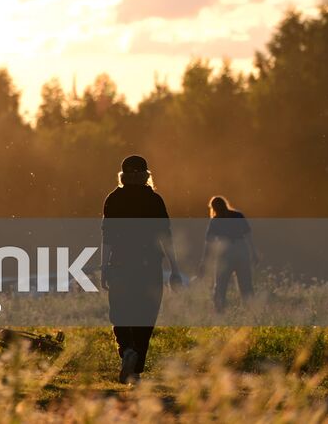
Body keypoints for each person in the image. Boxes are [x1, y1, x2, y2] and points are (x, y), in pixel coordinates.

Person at [101, 154, 184, 385]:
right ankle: (135, 368)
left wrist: (104, 266)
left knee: (119, 311)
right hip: (148, 266)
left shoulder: (113, 199)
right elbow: (166, 237)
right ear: (146, 175)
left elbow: (106, 235)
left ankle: (127, 349)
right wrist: (175, 269)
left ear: (123, 176)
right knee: (146, 314)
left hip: (120, 263)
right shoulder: (154, 200)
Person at [197, 195, 258, 311]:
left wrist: (204, 262)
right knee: (246, 286)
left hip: (226, 253)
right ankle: (252, 313)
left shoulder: (215, 221)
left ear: (213, 208)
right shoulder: (238, 215)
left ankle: (219, 313)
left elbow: (209, 243)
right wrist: (253, 253)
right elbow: (248, 234)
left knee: (220, 285)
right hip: (242, 250)